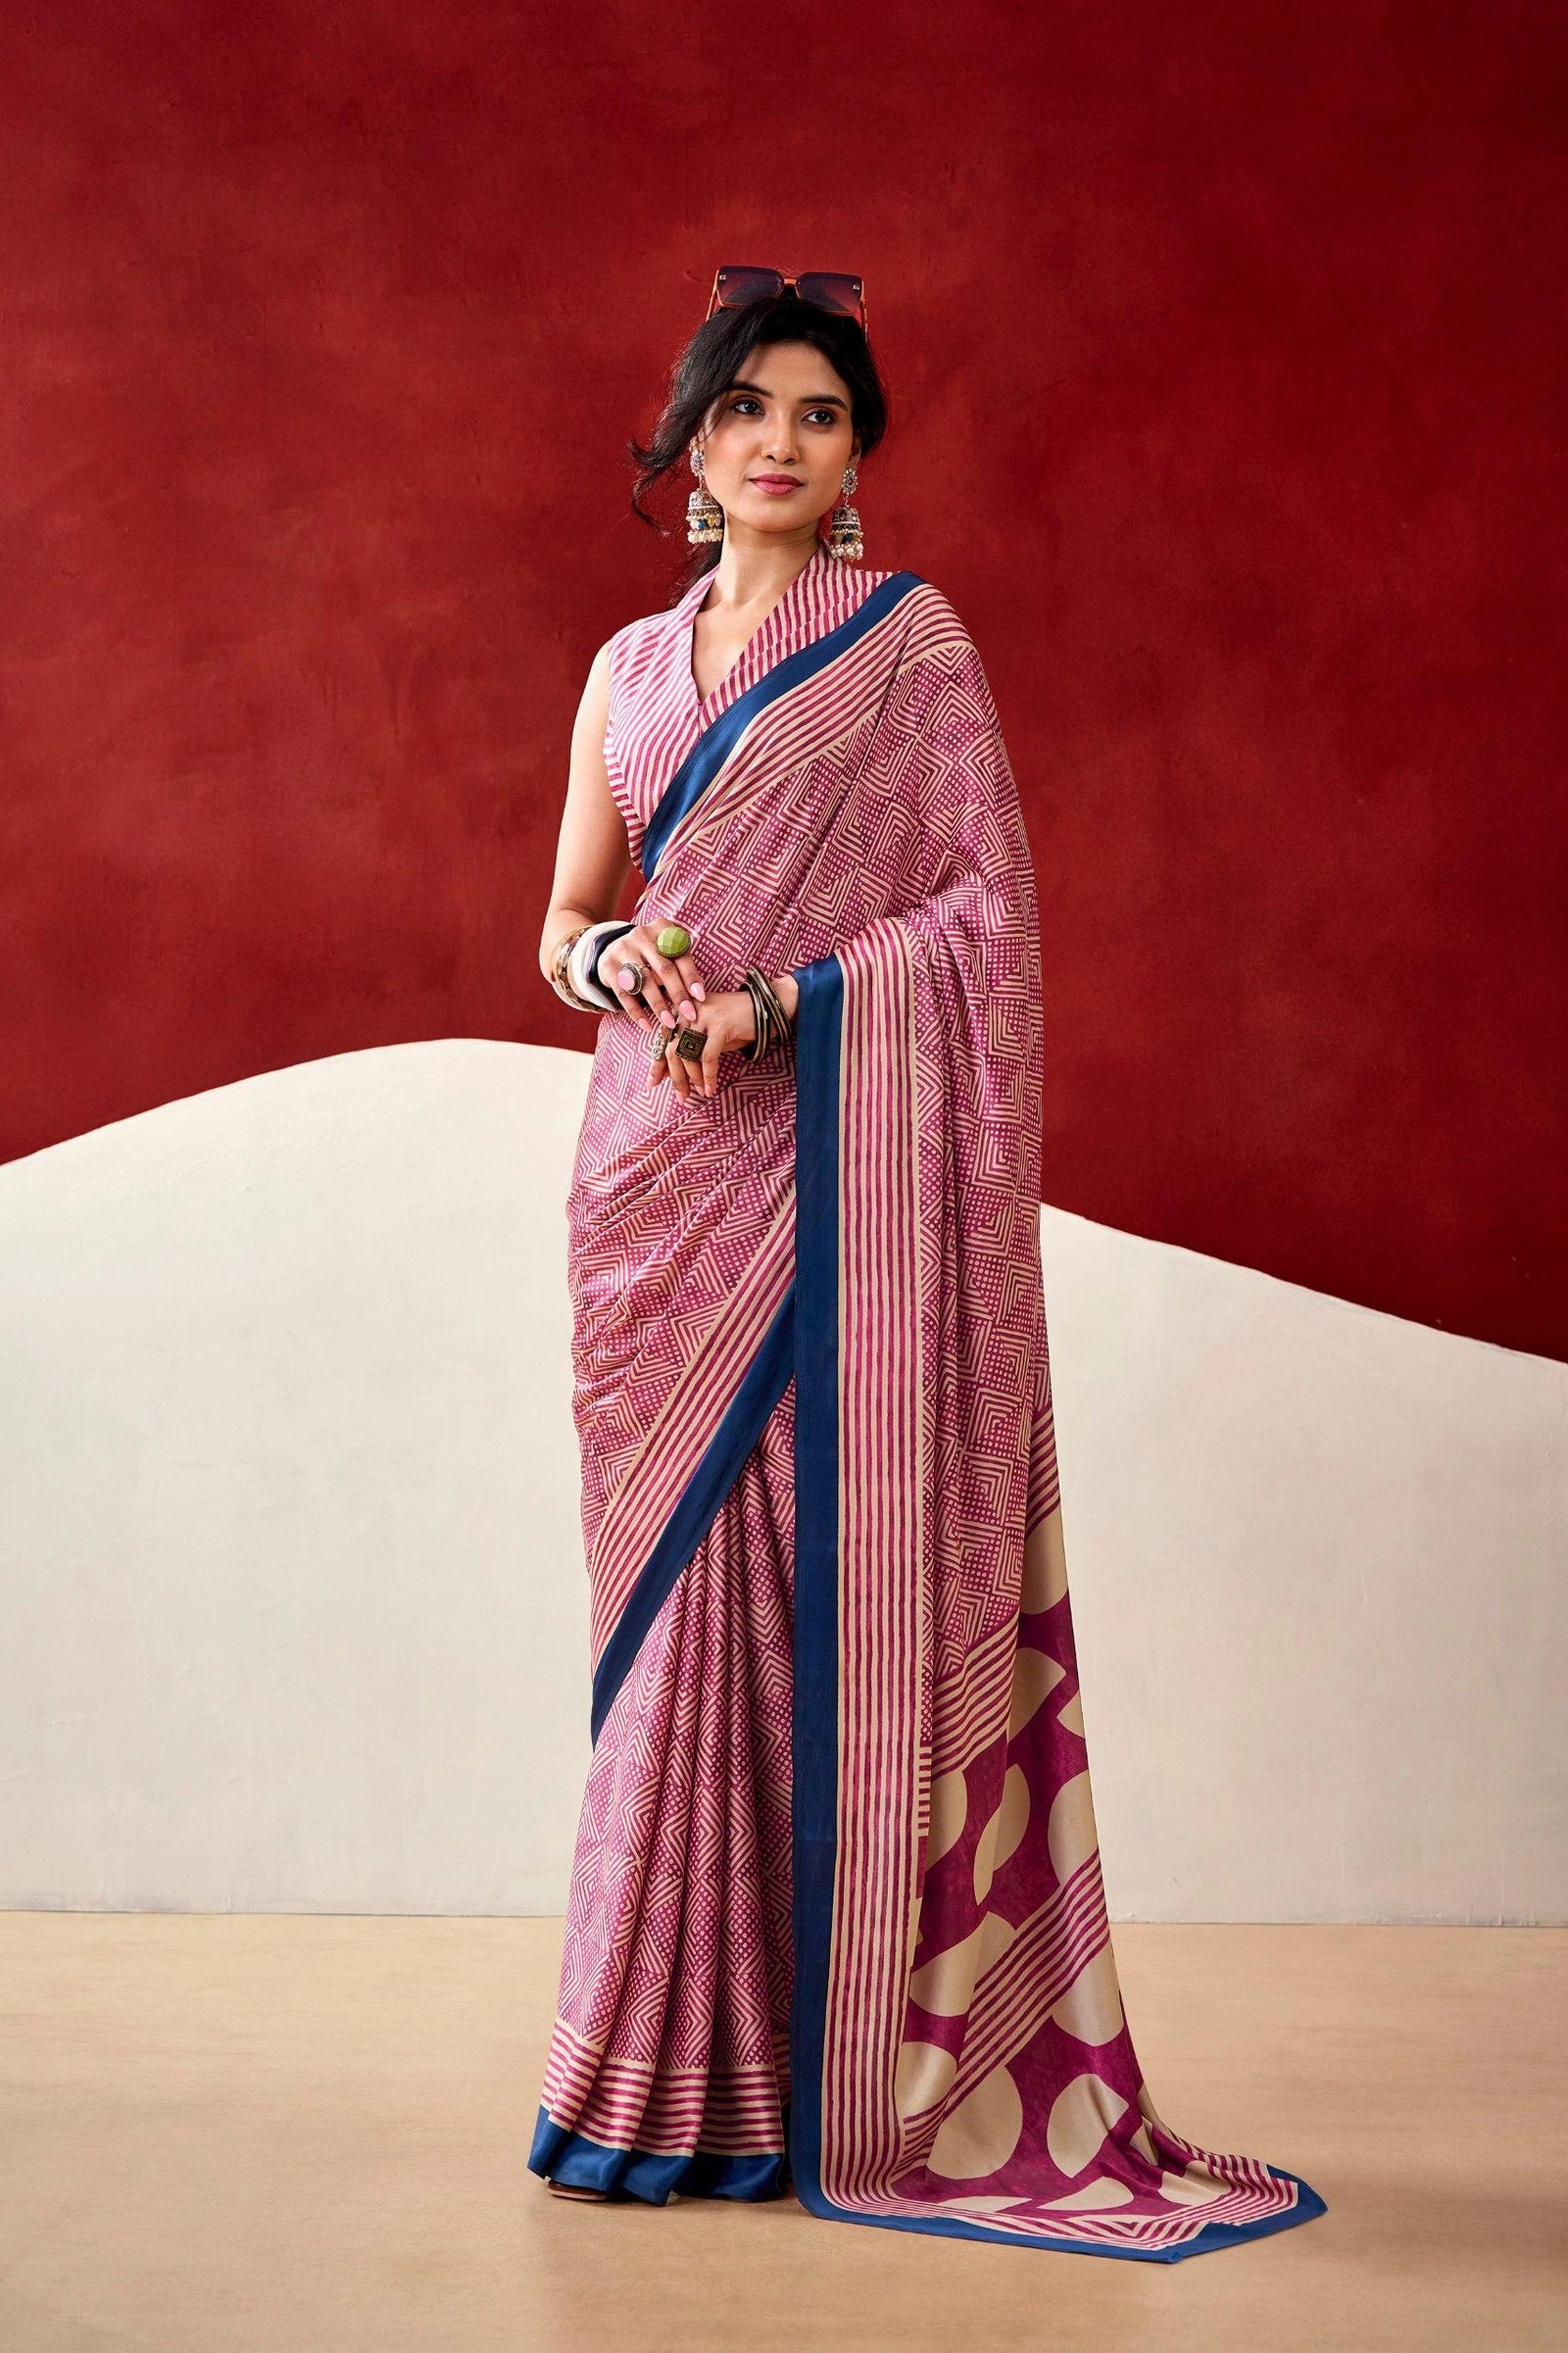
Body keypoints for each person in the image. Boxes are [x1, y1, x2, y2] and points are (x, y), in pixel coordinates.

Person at [529, 265, 1326, 2260]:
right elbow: (561, 920)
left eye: (818, 412)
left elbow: (982, 919)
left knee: (824, 1592)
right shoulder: (624, 669)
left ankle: (824, 2074)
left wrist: (788, 1005)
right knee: (675, 1620)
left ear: (856, 452)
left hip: (830, 1182)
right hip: (651, 1192)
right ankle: (651, 2070)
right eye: (747, 407)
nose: (779, 441)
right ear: (691, 440)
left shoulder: (908, 648)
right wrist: (622, 965)